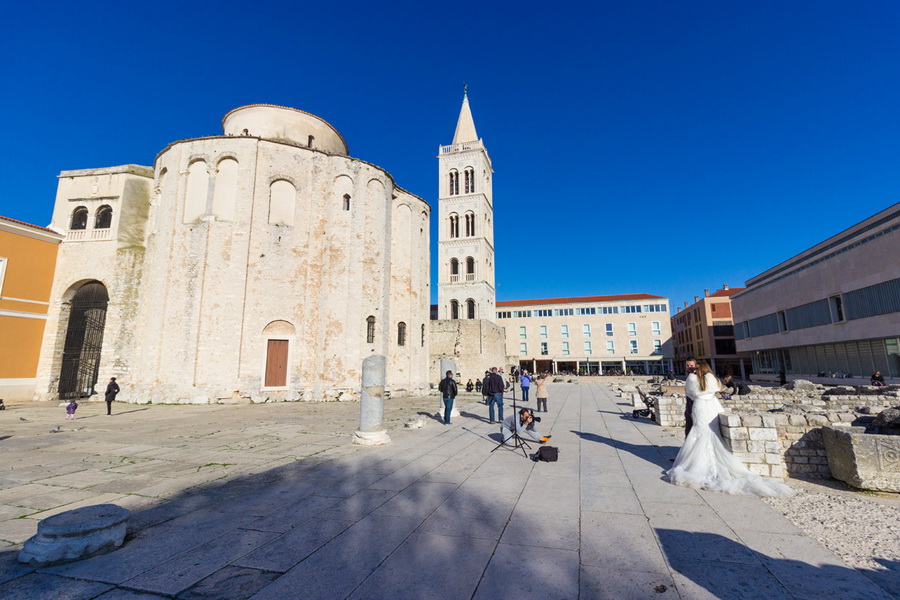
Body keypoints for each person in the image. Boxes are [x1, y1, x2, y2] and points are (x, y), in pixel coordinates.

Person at [666, 361, 793, 497]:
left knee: (700, 433)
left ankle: (697, 464)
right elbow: (719, 389)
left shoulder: (692, 378)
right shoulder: (713, 378)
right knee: (714, 433)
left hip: (700, 407)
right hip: (713, 406)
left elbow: (690, 393)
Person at [683, 358, 697, 435]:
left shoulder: (696, 376)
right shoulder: (688, 375)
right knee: (688, 431)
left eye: (691, 365)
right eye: (687, 365)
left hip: (694, 407)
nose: (689, 367)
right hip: (689, 408)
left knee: (691, 432)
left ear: (695, 365)